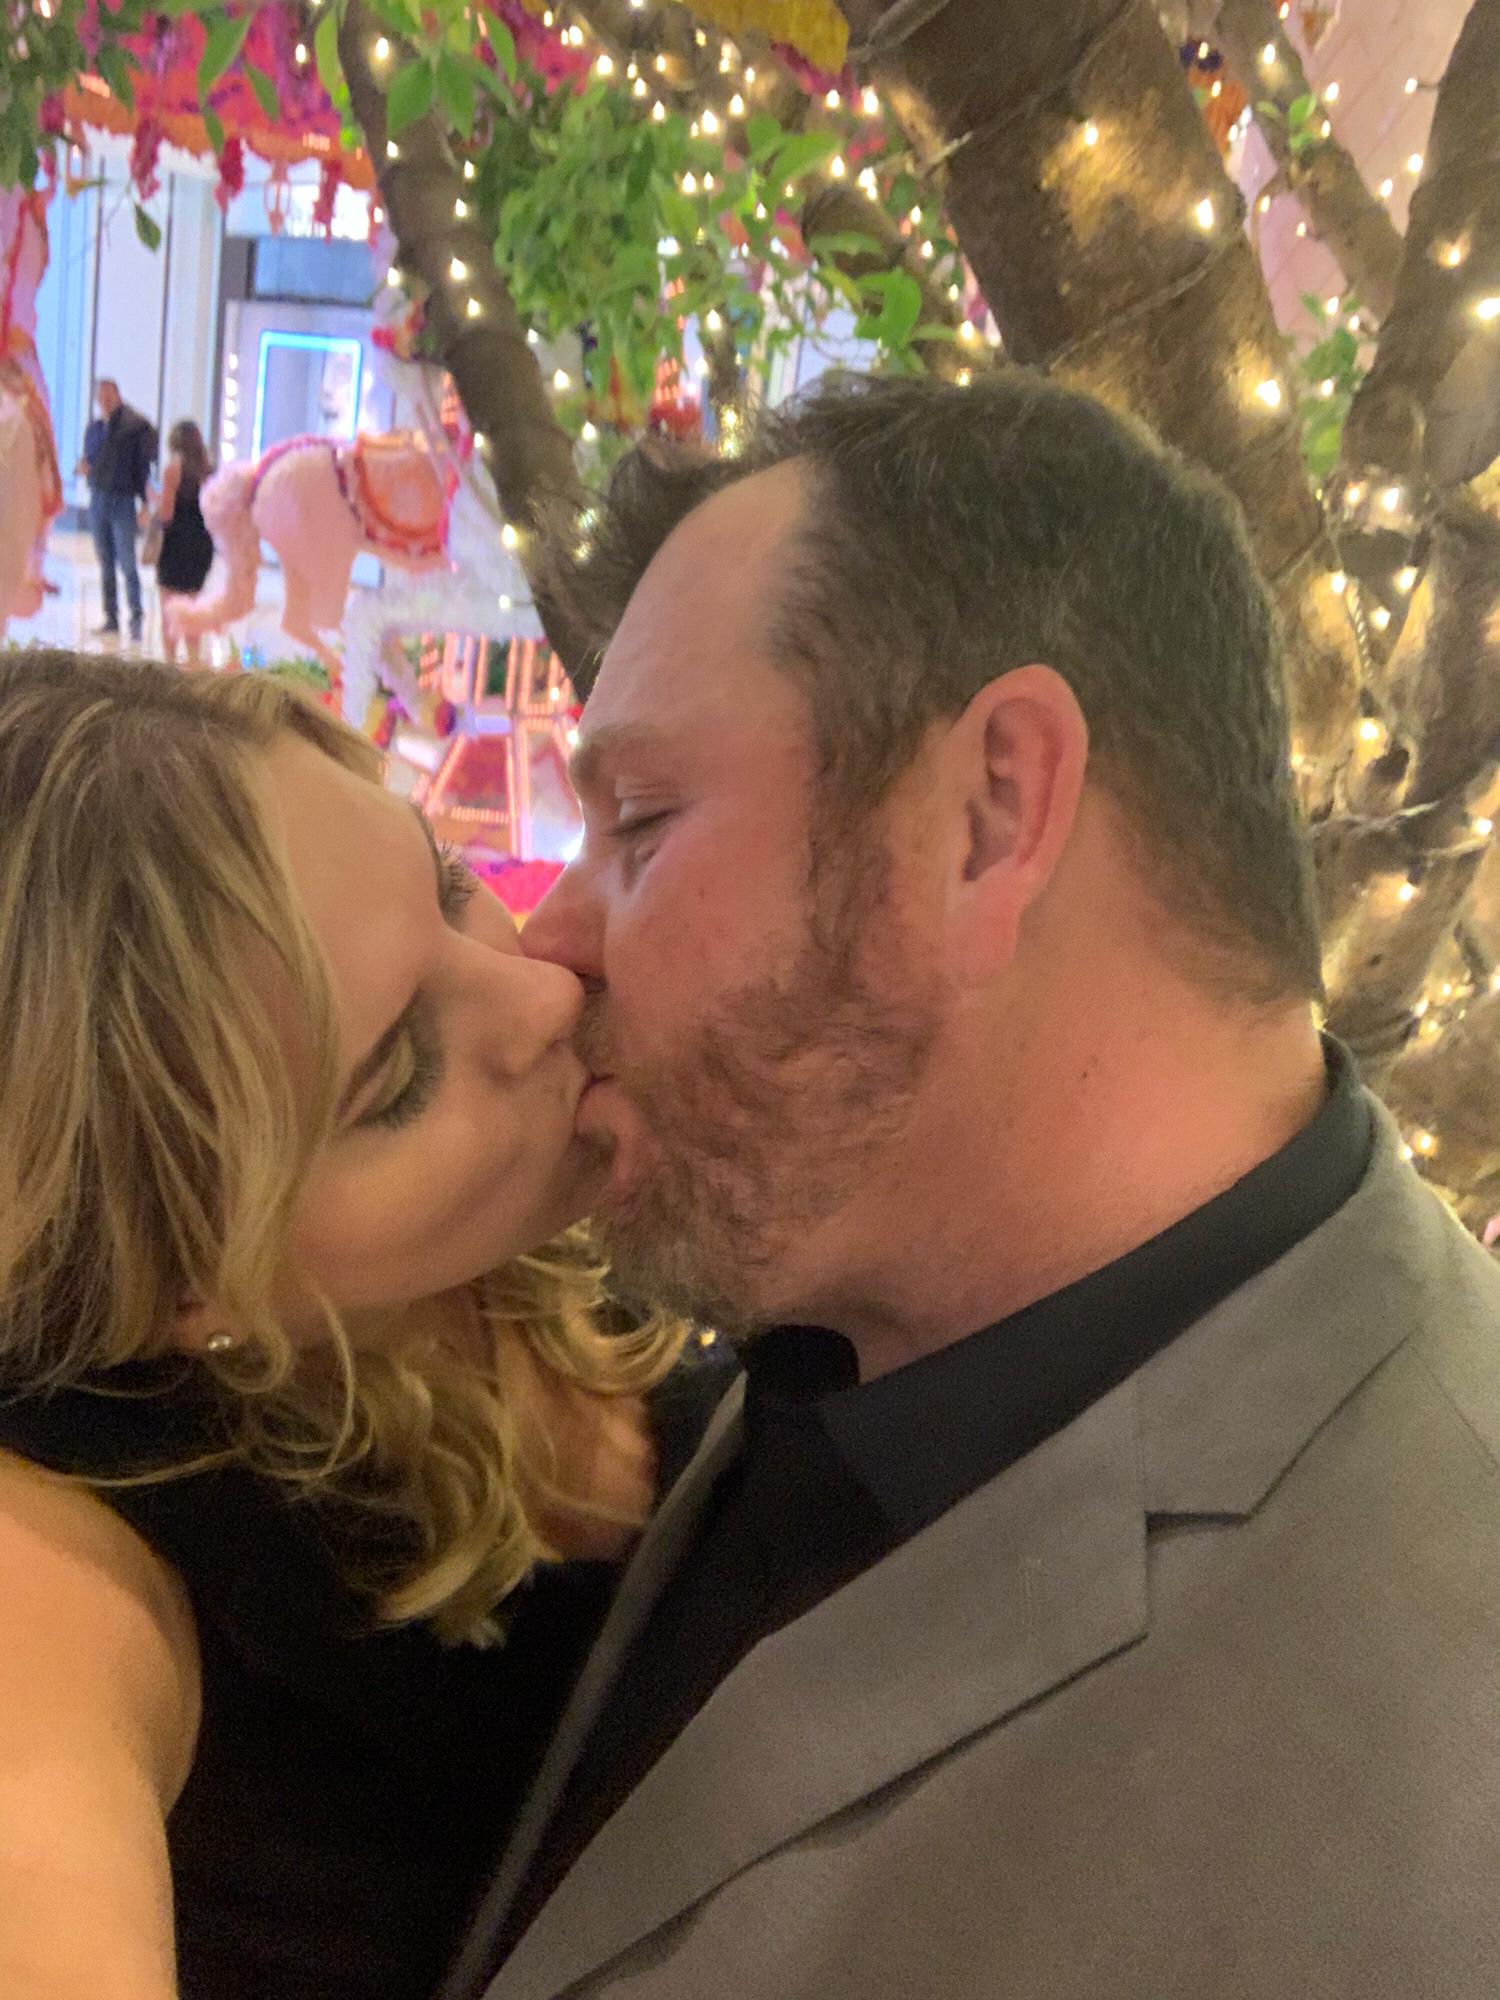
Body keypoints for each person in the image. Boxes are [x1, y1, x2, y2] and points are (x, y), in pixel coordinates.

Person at [449, 373, 1500, 2000]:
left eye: (640, 821)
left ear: (994, 813)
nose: (551, 940)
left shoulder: (1447, 1764)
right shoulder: (804, 1277)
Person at [0, 650, 726, 2000]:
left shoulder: (556, 1221)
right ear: (182, 1279)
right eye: (396, 1076)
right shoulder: (73, 1547)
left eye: (448, 883)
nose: (544, 994)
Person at [77, 377, 155, 642]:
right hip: (98, 497)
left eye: (109, 396)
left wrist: (145, 504)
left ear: (118, 396)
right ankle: (111, 617)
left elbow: (142, 468)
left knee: (127, 561)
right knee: (106, 560)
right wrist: (85, 469)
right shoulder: (95, 429)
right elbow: (90, 460)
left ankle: (136, 616)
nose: (105, 401)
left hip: (122, 500)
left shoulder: (133, 426)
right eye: (101, 397)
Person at [152, 419, 217, 664]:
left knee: (170, 608)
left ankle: (170, 662)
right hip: (201, 544)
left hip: (175, 544)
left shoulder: (172, 470)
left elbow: (166, 514)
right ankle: (193, 660)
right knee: (193, 607)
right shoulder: (209, 472)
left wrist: (154, 503)